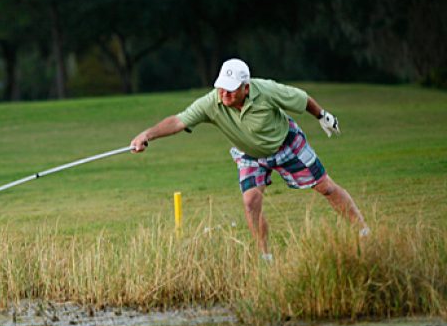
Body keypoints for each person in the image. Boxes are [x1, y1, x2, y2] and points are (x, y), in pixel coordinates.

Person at [130, 58, 368, 259]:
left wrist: (323, 116)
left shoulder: (266, 90)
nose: (224, 93)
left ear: (246, 87)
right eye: (221, 86)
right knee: (250, 202)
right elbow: (178, 121)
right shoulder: (213, 101)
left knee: (325, 186)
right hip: (250, 155)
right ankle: (265, 257)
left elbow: (302, 99)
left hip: (286, 145)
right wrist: (147, 134)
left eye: (231, 88)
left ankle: (363, 232)